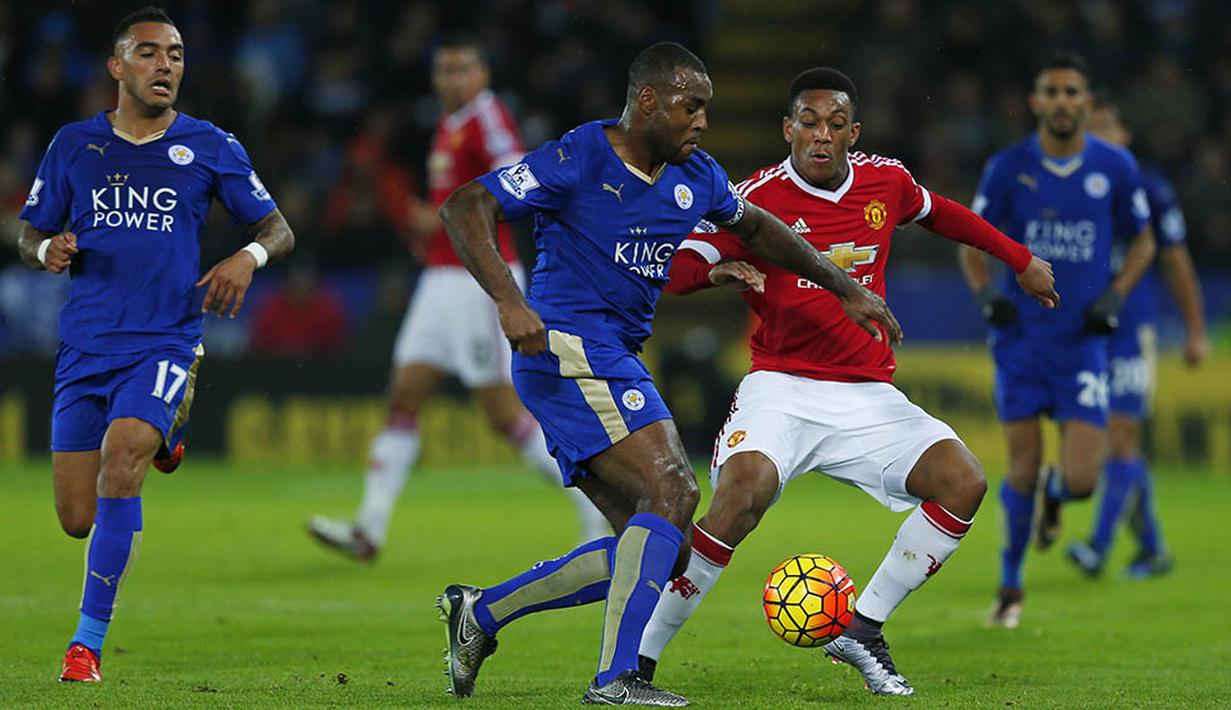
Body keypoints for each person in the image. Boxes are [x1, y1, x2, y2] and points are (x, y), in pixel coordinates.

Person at [436, 44, 903, 706]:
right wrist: (509, 302)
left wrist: (839, 286)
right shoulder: (577, 157)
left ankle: (479, 614)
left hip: (610, 354)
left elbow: (761, 228)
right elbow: (464, 207)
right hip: (567, 348)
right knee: (675, 491)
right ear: (647, 103)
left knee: (662, 546)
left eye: (707, 109)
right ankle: (616, 679)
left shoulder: (697, 177)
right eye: (691, 107)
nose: (702, 122)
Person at [635, 67, 1058, 697]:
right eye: (809, 122)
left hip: (867, 395)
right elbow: (679, 269)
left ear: (853, 133)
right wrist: (714, 269)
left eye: (836, 124)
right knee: (740, 496)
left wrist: (1019, 260)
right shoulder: (755, 197)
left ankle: (864, 628)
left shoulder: (885, 182)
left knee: (963, 480)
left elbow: (943, 216)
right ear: (788, 129)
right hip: (780, 385)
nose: (822, 135)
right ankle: (637, 662)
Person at [16, 7, 294, 683]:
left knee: (123, 453)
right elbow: (25, 232)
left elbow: (278, 226)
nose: (165, 65)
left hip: (165, 341)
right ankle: (170, 433)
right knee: (76, 520)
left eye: (174, 54)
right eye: (148, 53)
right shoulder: (73, 146)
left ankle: (85, 646)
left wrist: (248, 257)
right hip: (84, 349)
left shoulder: (209, 145)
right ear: (116, 67)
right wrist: (46, 246)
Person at [307, 34, 607, 561]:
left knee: (503, 415)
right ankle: (368, 528)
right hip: (439, 280)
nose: (453, 79)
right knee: (403, 395)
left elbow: (519, 183)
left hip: (478, 281)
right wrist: (434, 217)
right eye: (445, 70)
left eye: (464, 69)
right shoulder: (449, 124)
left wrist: (454, 221)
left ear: (483, 75)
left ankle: (596, 512)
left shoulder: (487, 118)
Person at [958, 51, 1155, 628]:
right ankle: (1011, 586)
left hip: (1084, 343)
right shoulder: (1008, 166)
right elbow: (970, 238)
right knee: (1020, 465)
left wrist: (1115, 294)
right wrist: (986, 294)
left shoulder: (1115, 166)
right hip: (1021, 340)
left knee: (1083, 480)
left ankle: (1057, 494)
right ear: (1037, 102)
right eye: (1053, 91)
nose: (1064, 102)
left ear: (1087, 103)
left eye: (1074, 92)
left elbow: (1143, 241)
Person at [1066, 93, 1208, 579]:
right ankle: (1151, 548)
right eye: (1092, 127)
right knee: (1099, 443)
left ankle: (1098, 547)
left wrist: (1195, 331)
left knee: (1122, 436)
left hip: (1130, 331)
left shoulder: (1150, 189)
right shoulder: (1069, 187)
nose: (1098, 135)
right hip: (1082, 334)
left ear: (1125, 135)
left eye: (1106, 125)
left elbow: (1176, 262)